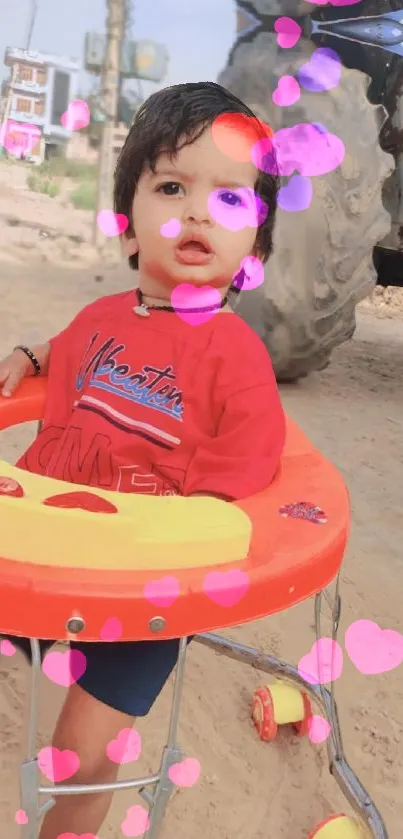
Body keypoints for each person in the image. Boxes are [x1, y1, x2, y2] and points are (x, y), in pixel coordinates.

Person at [0, 81, 285, 838]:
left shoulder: (237, 359)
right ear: (130, 230)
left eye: (228, 200)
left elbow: (240, 486)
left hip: (142, 588)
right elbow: (82, 350)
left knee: (77, 752)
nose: (194, 211)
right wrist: (32, 353)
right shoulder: (98, 318)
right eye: (169, 186)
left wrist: (174, 535)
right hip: (49, 550)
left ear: (252, 250)